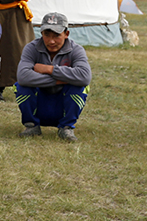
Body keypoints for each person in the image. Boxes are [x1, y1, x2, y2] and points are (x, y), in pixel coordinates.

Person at [15, 12, 91, 143]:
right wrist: (61, 79)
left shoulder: (76, 50)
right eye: (47, 35)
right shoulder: (31, 48)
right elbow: (23, 77)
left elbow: (84, 77)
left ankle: (66, 127)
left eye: (57, 36)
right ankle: (32, 125)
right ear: (41, 33)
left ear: (66, 34)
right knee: (21, 86)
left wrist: (49, 69)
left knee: (79, 87)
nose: (51, 41)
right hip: (40, 102)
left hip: (62, 104)